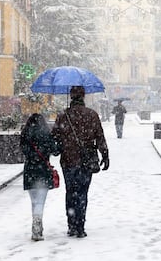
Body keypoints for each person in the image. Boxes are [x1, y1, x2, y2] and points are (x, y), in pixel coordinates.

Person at [51, 86, 109, 238]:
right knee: (83, 192)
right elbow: (100, 137)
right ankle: (80, 225)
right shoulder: (92, 115)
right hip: (87, 159)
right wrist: (105, 155)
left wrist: (58, 147)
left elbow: (54, 137)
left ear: (71, 96)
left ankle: (71, 224)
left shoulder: (63, 116)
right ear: (83, 97)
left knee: (70, 192)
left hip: (68, 160)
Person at [20, 113, 60, 241]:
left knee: (34, 201)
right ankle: (37, 227)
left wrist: (33, 156)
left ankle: (37, 225)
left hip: (30, 170)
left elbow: (24, 150)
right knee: (40, 202)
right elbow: (55, 151)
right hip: (43, 170)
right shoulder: (46, 134)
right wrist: (57, 141)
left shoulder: (26, 133)